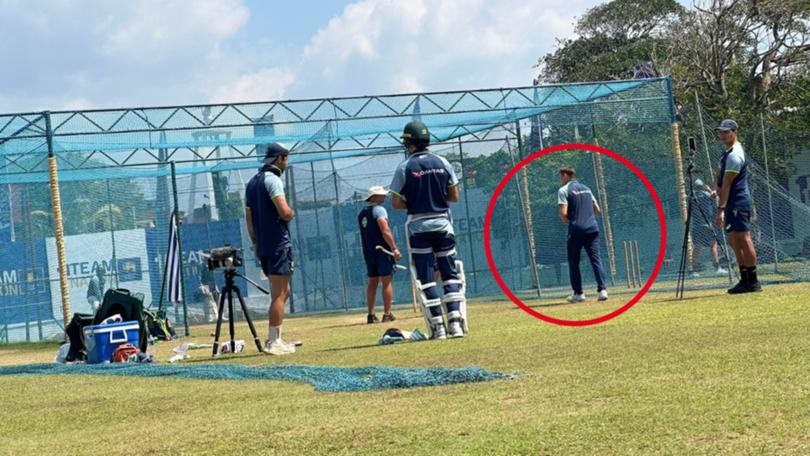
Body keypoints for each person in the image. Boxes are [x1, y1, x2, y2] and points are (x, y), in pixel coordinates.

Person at [390, 120, 467, 339]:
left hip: (418, 227)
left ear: (409, 143)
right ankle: (455, 324)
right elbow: (454, 196)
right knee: (450, 274)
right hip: (443, 224)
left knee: (426, 277)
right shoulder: (443, 162)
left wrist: (414, 202)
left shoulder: (405, 167)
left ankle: (438, 327)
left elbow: (396, 204)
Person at [245, 143, 297, 355]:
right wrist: (290, 213)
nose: (286, 163)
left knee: (285, 292)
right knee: (279, 293)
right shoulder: (273, 180)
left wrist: (255, 242)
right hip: (278, 241)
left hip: (264, 244)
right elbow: (284, 212)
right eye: (286, 158)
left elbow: (248, 217)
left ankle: (277, 338)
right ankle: (273, 342)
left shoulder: (251, 183)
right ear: (280, 159)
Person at [713, 119, 762, 293]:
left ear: (734, 132)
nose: (722, 134)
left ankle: (753, 281)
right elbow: (721, 181)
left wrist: (720, 210)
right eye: (720, 131)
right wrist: (716, 190)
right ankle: (744, 279)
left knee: (743, 238)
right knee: (733, 240)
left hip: (738, 202)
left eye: (726, 132)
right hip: (731, 202)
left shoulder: (734, 155)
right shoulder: (726, 153)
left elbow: (727, 184)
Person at [557, 166, 608, 303]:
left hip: (576, 229)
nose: (560, 179)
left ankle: (578, 294)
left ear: (566, 175)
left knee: (574, 261)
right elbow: (597, 210)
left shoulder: (563, 190)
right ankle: (602, 290)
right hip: (593, 228)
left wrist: (573, 221)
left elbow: (563, 214)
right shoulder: (587, 188)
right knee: (595, 259)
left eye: (561, 176)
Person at [358, 185, 401, 324]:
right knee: (386, 281)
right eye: (381, 194)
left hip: (368, 251)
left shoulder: (362, 213)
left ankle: (371, 315)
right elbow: (385, 230)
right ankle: (387, 313)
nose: (384, 196)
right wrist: (394, 247)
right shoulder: (379, 210)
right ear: (374, 197)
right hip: (382, 250)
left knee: (372, 283)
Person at [691, 178, 728, 276]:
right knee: (713, 245)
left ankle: (694, 270)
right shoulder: (706, 194)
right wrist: (709, 190)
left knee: (697, 246)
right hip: (707, 224)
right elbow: (716, 199)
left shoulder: (691, 197)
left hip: (696, 225)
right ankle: (717, 267)